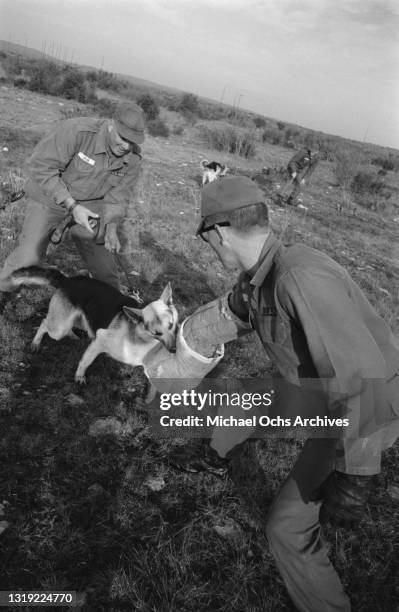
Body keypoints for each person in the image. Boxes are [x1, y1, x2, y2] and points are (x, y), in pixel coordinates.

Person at [144, 176, 399, 612]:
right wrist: (180, 349)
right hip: (320, 391)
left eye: (207, 238)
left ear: (218, 233)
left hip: (365, 407)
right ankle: (215, 459)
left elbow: (360, 381)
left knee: (285, 530)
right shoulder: (264, 273)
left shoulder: (298, 278)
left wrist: (355, 478)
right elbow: (234, 312)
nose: (208, 246)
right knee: (246, 398)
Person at [0, 102, 145, 312]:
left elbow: (117, 197)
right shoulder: (76, 131)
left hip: (91, 209)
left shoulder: (132, 158)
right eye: (123, 138)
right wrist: (72, 205)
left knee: (105, 270)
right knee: (29, 255)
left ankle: (104, 314)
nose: (126, 146)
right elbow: (41, 166)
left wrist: (112, 225)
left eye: (133, 142)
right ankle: (4, 289)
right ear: (111, 125)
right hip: (49, 198)